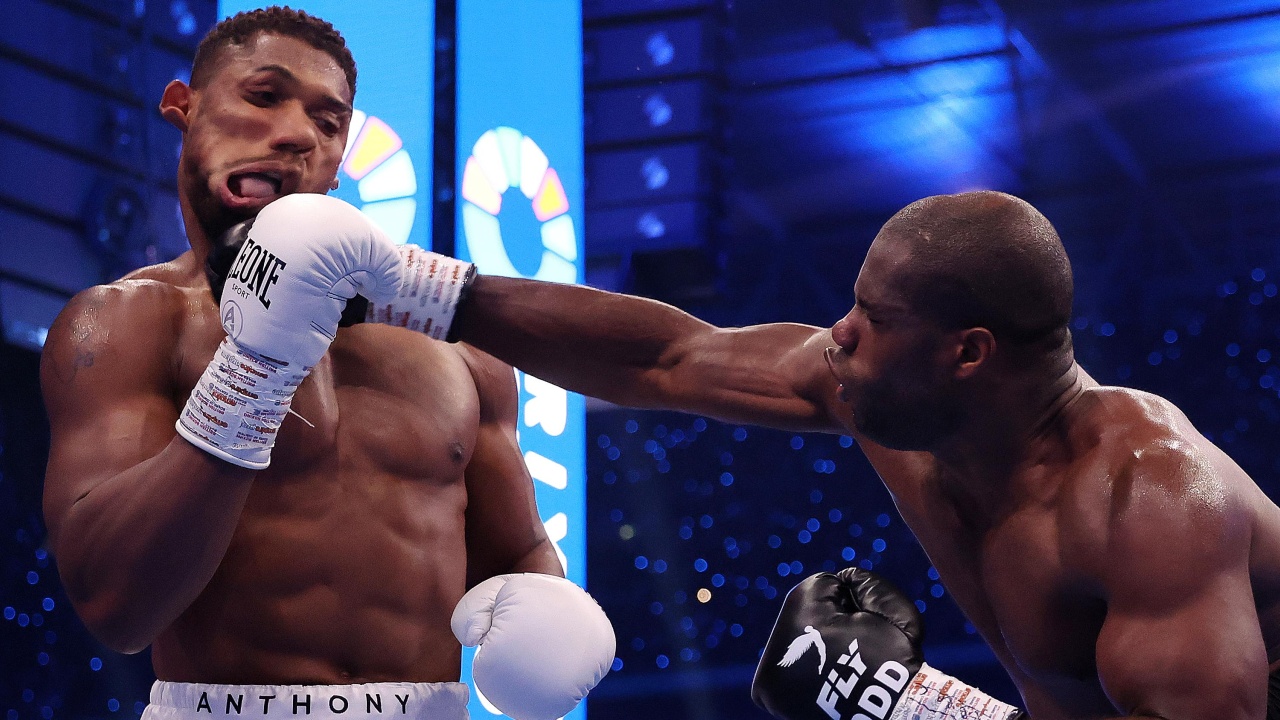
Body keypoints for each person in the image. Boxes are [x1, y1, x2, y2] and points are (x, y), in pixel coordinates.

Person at [412, 190, 1280, 719]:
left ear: (966, 352)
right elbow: (666, 358)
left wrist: (921, 711)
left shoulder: (1150, 497)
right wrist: (421, 291)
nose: (841, 332)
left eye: (875, 319)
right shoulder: (884, 396)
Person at [39, 8, 613, 720]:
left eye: (329, 121)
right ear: (183, 107)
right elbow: (115, 607)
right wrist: (253, 372)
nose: (296, 133)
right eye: (263, 95)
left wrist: (549, 607)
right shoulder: (125, 324)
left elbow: (519, 549)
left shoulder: (456, 348)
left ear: (339, 162)